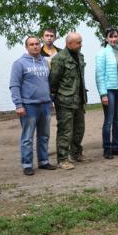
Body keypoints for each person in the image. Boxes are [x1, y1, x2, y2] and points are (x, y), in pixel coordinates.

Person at [9, 36, 56, 175]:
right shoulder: (19, 63)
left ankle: (43, 161)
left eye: (37, 44)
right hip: (29, 106)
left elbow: (48, 82)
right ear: (26, 47)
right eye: (31, 44)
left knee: (44, 135)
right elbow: (14, 85)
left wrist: (50, 98)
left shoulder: (44, 62)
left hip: (45, 105)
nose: (35, 46)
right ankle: (27, 164)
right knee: (27, 137)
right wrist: (19, 105)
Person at [49, 32, 87, 170]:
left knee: (79, 129)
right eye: (78, 42)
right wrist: (55, 97)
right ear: (69, 44)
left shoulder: (80, 56)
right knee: (65, 131)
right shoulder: (60, 59)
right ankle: (63, 159)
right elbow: (53, 81)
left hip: (79, 99)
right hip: (65, 100)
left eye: (81, 42)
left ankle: (76, 153)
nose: (81, 45)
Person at [95, 28, 118, 159]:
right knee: (108, 120)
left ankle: (117, 147)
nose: (114, 39)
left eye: (115, 37)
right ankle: (107, 148)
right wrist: (103, 93)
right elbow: (99, 75)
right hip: (109, 91)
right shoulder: (102, 53)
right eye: (111, 37)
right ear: (106, 39)